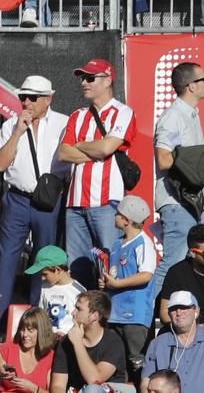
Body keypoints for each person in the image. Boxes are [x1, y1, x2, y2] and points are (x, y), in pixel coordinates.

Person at [0, 76, 70, 323]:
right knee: (5, 260)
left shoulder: (63, 124)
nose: (26, 102)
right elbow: (0, 164)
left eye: (32, 98)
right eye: (22, 97)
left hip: (48, 200)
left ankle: (40, 320)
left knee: (45, 258)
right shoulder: (11, 125)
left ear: (48, 99)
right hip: (17, 199)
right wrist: (18, 132)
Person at [59, 58, 137, 285]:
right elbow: (63, 153)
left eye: (90, 78)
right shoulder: (77, 115)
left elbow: (106, 148)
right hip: (75, 204)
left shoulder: (123, 112)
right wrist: (97, 148)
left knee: (110, 265)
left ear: (108, 80)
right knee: (78, 269)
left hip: (107, 203)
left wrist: (82, 144)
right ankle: (83, 317)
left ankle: (110, 318)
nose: (84, 82)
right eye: (83, 78)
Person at [153, 62, 204, 297]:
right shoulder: (173, 116)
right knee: (173, 262)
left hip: (197, 203)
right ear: (191, 86)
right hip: (178, 202)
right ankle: (146, 324)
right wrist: (201, 156)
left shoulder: (190, 114)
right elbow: (163, 159)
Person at [102, 196, 155, 384]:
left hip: (135, 315)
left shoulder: (144, 243)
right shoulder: (117, 244)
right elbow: (116, 274)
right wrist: (107, 283)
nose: (114, 216)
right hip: (115, 313)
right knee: (118, 361)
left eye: (117, 213)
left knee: (137, 361)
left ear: (127, 220)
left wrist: (117, 285)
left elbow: (146, 275)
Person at [140, 291, 204, 393]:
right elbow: (146, 383)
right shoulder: (158, 343)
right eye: (173, 309)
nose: (179, 313)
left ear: (196, 311)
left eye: (184, 307)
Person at [49, 291, 128, 393]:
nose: (73, 313)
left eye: (79, 309)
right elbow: (58, 386)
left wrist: (77, 343)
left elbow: (95, 380)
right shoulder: (65, 342)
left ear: (94, 316)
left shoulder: (113, 342)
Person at [158, 224, 204, 326]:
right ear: (193, 253)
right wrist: (192, 327)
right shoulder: (177, 273)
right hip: (187, 331)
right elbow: (165, 314)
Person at [0, 307, 56, 393]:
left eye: (30, 330)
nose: (25, 334)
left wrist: (32, 388)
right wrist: (0, 376)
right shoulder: (6, 350)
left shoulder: (50, 356)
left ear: (41, 331)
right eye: (22, 329)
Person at [26, 245, 86, 336]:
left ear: (57, 270)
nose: (42, 278)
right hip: (46, 339)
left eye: (45, 274)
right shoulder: (44, 287)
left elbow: (83, 321)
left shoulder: (79, 291)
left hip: (69, 340)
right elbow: (41, 314)